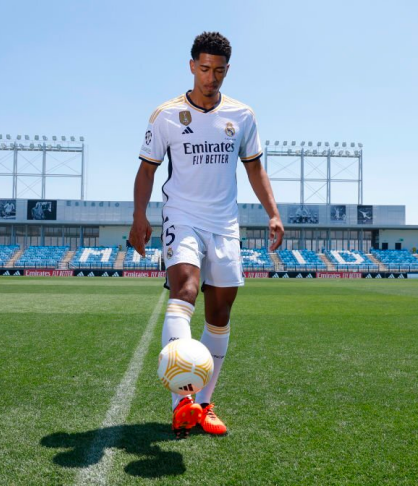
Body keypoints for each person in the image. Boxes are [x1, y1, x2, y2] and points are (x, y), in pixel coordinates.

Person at [129, 32, 284, 438]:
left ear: (227, 70)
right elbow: (147, 169)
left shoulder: (243, 115)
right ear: (191, 66)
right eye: (204, 68)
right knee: (184, 289)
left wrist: (273, 213)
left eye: (218, 70)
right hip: (181, 215)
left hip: (225, 223)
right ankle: (182, 400)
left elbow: (254, 168)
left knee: (220, 312)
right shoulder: (166, 115)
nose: (210, 77)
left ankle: (203, 403)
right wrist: (139, 217)